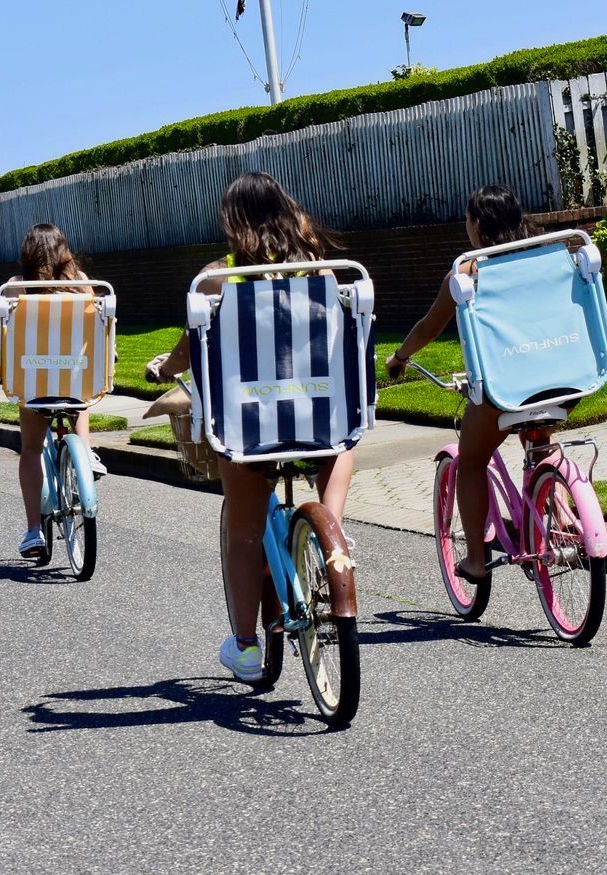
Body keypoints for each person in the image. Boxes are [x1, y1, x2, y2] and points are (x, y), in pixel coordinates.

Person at [144, 172, 354, 682]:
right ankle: (330, 530)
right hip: (318, 414)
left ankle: (245, 646)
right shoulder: (323, 269)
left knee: (242, 533)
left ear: (234, 222)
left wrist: (167, 370)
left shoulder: (218, 278)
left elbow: (192, 345)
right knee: (341, 443)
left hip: (251, 423)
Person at [384, 185, 541, 588]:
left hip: (504, 389)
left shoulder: (469, 269)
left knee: (471, 462)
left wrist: (399, 357)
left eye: (468, 219)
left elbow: (430, 326)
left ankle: (474, 559)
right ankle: (553, 511)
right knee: (541, 444)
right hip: (556, 377)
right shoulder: (544, 253)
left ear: (477, 225)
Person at [0, 223, 108, 558]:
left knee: (30, 450)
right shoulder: (82, 283)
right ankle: (84, 450)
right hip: (73, 381)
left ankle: (33, 531)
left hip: (34, 386)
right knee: (79, 394)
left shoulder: (17, 287)